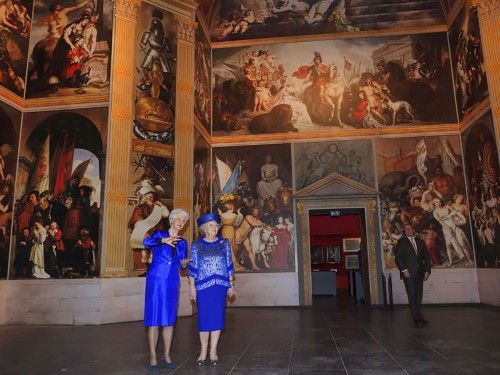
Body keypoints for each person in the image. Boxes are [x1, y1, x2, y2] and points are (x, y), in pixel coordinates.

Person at [143, 208, 190, 372]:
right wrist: (163, 241)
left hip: (172, 281)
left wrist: (184, 266)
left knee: (169, 320)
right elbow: (145, 243)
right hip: (156, 280)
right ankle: (153, 356)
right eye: (179, 219)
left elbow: (182, 265)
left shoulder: (183, 243)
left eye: (183, 221)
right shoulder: (159, 234)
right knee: (154, 320)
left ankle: (167, 354)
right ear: (171, 220)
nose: (181, 222)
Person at [188, 213, 235, 366]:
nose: (214, 228)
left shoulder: (224, 243)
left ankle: (213, 351)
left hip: (220, 286)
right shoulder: (196, 245)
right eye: (211, 225)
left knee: (217, 318)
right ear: (204, 229)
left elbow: (229, 266)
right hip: (202, 287)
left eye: (216, 225)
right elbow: (192, 269)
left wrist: (231, 286)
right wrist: (192, 289)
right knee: (204, 318)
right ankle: (203, 351)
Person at [394, 224, 431, 326]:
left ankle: (419, 316)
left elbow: (426, 257)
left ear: (413, 230)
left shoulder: (420, 242)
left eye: (410, 228)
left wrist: (427, 270)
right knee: (412, 294)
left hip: (420, 273)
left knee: (419, 295)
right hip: (408, 274)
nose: (408, 230)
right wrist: (404, 270)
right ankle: (416, 318)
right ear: (404, 232)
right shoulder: (402, 242)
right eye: (406, 229)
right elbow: (398, 258)